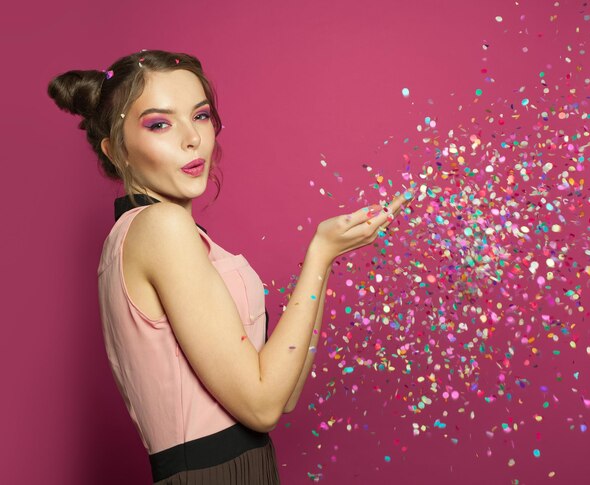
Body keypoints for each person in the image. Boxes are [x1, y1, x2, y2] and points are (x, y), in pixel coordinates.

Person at [47, 49, 414, 484]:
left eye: (200, 116)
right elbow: (262, 407)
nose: (191, 138)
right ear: (116, 149)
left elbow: (283, 391)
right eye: (159, 124)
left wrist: (328, 258)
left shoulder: (161, 234)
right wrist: (317, 255)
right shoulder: (160, 228)